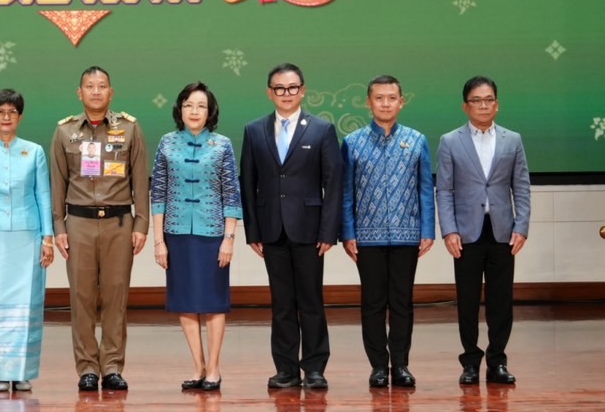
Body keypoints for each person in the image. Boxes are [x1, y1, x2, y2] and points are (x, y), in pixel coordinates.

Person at [240, 63, 342, 391]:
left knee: (311, 301)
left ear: (303, 90)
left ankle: (314, 368)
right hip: (271, 229)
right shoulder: (254, 130)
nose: (287, 93)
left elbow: (333, 184)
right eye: (280, 88)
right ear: (269, 92)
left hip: (310, 231)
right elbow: (248, 183)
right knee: (281, 303)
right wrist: (253, 231)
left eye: (293, 87)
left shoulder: (322, 129)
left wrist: (329, 231)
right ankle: (285, 370)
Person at [49, 65, 150, 392]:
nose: (96, 91)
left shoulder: (130, 128)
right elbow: (57, 182)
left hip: (119, 223)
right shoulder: (64, 131)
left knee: (116, 297)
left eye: (102, 86)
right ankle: (87, 368)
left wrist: (141, 223)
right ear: (79, 93)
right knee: (81, 298)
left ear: (111, 92)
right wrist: (58, 225)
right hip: (78, 224)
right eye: (90, 86)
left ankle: (112, 366)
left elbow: (140, 179)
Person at [340, 75, 436, 389]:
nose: (385, 103)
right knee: (372, 303)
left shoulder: (417, 140)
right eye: (379, 98)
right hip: (366, 238)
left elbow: (425, 188)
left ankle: (401, 364)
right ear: (368, 103)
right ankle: (379, 366)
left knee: (402, 302)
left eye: (391, 98)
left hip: (407, 236)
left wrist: (427, 229)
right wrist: (348, 232)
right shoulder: (352, 142)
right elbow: (346, 192)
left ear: (401, 102)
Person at [436, 75, 531, 386]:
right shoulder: (450, 141)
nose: (483, 105)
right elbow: (444, 190)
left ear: (497, 105)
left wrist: (522, 225)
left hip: (503, 231)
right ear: (466, 106)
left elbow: (521, 186)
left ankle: (498, 361)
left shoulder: (512, 140)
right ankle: (470, 362)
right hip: (466, 234)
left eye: (489, 100)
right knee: (467, 300)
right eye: (477, 101)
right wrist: (449, 230)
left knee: (501, 300)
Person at [150, 81, 242, 392]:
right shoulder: (166, 143)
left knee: (214, 303)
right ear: (180, 109)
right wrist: (159, 241)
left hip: (213, 234)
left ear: (210, 111)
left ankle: (214, 369)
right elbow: (158, 193)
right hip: (176, 233)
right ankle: (198, 367)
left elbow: (232, 194)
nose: (194, 111)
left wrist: (229, 238)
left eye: (201, 106)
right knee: (185, 302)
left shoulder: (222, 145)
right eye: (188, 105)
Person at [0, 88, 55, 393]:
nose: (6, 117)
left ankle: (23, 371)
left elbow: (43, 195)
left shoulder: (35, 151)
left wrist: (47, 238)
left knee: (27, 305)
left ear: (20, 117)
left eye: (12, 112)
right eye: (0, 112)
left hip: (28, 239)